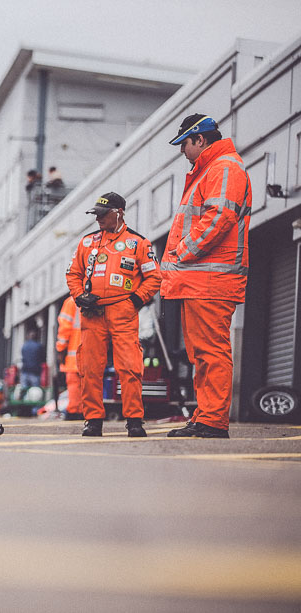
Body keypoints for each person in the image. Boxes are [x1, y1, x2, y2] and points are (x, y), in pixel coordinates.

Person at [162, 115, 251, 439]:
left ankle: (212, 420)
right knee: (202, 354)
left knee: (211, 352)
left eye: (184, 144)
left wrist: (183, 251)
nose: (182, 151)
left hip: (210, 280)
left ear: (200, 139)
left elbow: (220, 217)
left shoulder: (223, 167)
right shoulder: (212, 169)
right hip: (200, 281)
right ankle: (205, 416)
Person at [66, 192, 161, 436]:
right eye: (96, 214)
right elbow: (73, 274)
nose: (98, 219)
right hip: (92, 313)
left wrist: (135, 301)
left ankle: (134, 421)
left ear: (118, 213)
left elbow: (154, 277)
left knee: (130, 367)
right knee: (89, 368)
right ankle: (93, 421)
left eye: (102, 214)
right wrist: (80, 296)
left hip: (123, 312)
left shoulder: (138, 243)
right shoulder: (87, 242)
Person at [55, 296, 83, 420]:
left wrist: (60, 349)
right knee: (89, 384)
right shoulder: (97, 299)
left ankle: (74, 410)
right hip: (92, 352)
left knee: (74, 383)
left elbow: (64, 328)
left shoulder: (72, 302)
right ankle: (88, 411)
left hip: (74, 352)